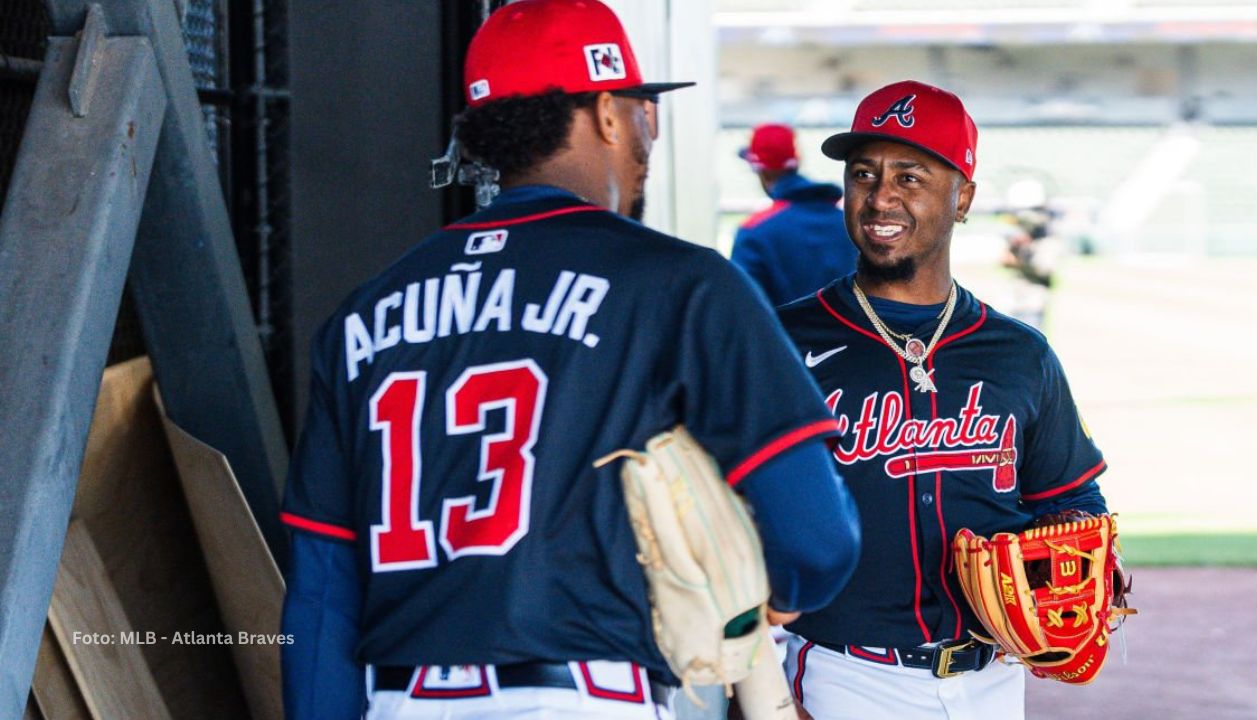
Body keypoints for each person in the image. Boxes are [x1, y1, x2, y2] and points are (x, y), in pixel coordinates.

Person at [277, 2, 862, 719]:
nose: (651, 128)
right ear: (609, 113)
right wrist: (783, 592)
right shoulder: (679, 283)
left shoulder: (363, 314)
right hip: (587, 697)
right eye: (645, 107)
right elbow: (817, 541)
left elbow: (321, 589)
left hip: (405, 702)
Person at [775, 80, 1110, 720]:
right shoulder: (783, 341)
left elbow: (1069, 493)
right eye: (863, 174)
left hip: (991, 679)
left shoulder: (1019, 354)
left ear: (963, 198)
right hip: (845, 675)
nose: (880, 197)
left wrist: (1087, 548)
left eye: (910, 177)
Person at [731, 123, 858, 306]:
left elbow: (744, 308)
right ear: (797, 161)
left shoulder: (755, 232)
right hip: (854, 334)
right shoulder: (851, 224)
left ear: (760, 171)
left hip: (780, 335)